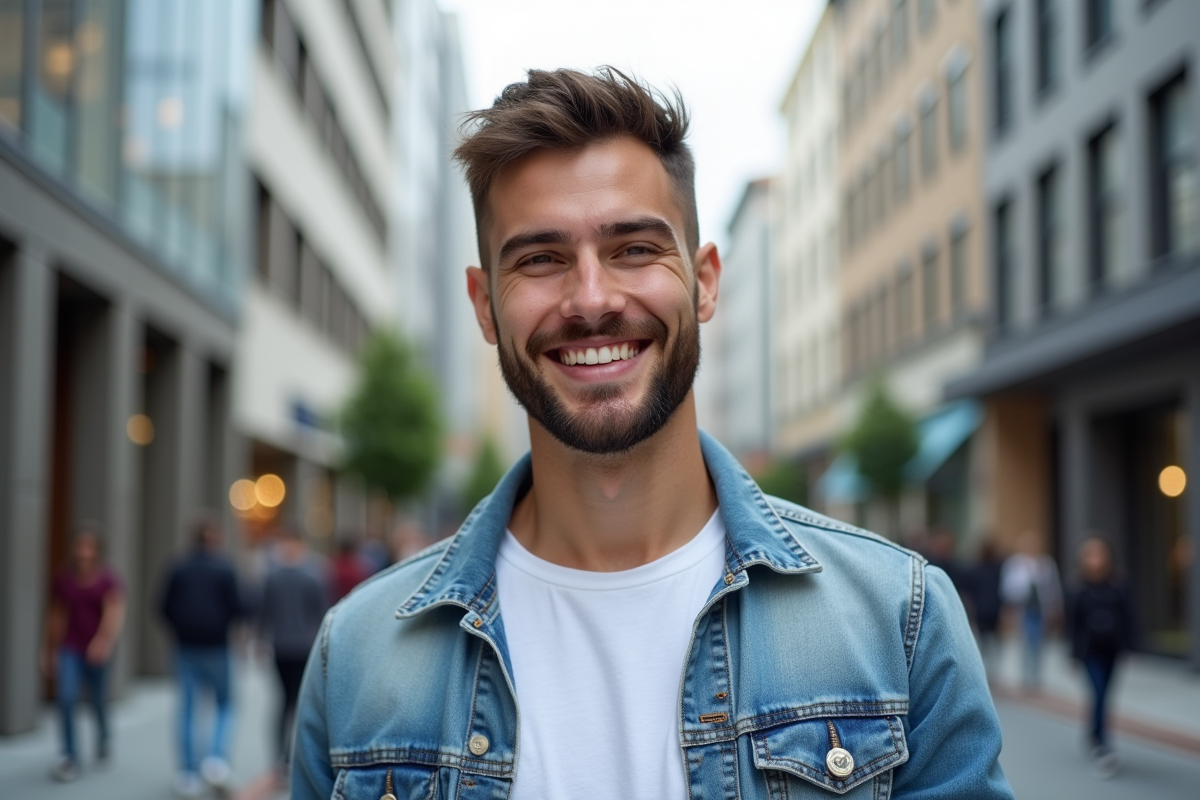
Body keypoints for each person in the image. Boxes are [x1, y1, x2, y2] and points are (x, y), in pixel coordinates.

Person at [291, 67, 1012, 799]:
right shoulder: (357, 653)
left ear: (704, 281)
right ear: (484, 305)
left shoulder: (901, 619)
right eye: (540, 259)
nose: (592, 300)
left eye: (634, 248)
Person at [160, 515, 246, 797]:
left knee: (187, 708)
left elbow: (162, 606)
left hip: (186, 647)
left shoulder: (179, 567)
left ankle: (187, 772)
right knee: (225, 704)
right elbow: (239, 606)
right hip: (217, 646)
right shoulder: (224, 568)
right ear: (215, 538)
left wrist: (180, 629)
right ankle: (216, 760)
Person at [40, 525, 126, 782]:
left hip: (96, 649)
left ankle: (103, 739)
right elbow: (56, 614)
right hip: (70, 647)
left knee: (97, 700)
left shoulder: (107, 578)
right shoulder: (64, 578)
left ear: (98, 550)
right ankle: (69, 755)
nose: (85, 552)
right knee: (66, 699)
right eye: (81, 546)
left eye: (90, 547)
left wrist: (104, 641)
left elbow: (115, 612)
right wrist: (49, 648)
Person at [257, 526, 327, 772]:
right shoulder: (312, 575)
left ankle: (284, 756)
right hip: (297, 646)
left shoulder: (275, 576)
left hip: (288, 646)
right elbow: (320, 613)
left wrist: (258, 641)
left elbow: (263, 614)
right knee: (295, 702)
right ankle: (289, 755)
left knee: (286, 703)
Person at [1067, 536, 1135, 778]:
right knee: (1097, 694)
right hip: (1089, 650)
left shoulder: (1118, 582)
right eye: (1090, 555)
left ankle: (1094, 732)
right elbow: (1073, 623)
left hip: (1112, 649)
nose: (1094, 560)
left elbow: (1129, 615)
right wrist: (1073, 655)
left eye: (1099, 554)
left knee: (1105, 695)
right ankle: (1102, 745)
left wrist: (1129, 646)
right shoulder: (1078, 586)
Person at [1001, 532, 1063, 689]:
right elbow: (1007, 586)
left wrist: (1055, 607)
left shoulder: (1046, 564)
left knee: (1039, 642)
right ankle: (1026, 676)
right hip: (1023, 608)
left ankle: (1036, 676)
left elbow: (1053, 587)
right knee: (1025, 641)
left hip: (1041, 608)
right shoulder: (1015, 563)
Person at [967, 537, 1006, 681]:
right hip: (987, 610)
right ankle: (987, 671)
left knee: (989, 643)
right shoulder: (991, 569)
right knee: (988, 643)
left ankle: (988, 672)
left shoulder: (994, 569)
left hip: (986, 610)